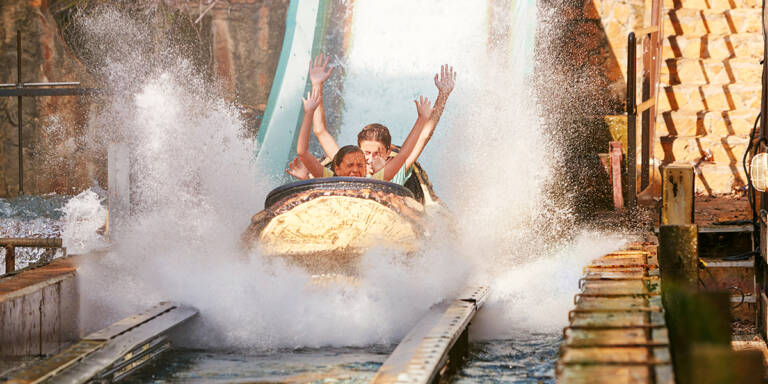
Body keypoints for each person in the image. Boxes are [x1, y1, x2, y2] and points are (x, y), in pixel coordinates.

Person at [300, 54, 456, 185]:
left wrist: (442, 96)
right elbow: (320, 131)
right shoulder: (349, 167)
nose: (370, 159)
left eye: (376, 154)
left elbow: (423, 137)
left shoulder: (393, 171)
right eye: (366, 153)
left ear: (388, 153)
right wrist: (317, 85)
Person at [296, 88, 424, 181]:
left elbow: (403, 155)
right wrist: (309, 113)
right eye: (350, 165)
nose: (355, 170)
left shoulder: (374, 181)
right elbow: (302, 152)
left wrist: (421, 120)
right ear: (337, 168)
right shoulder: (331, 179)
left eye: (360, 166)